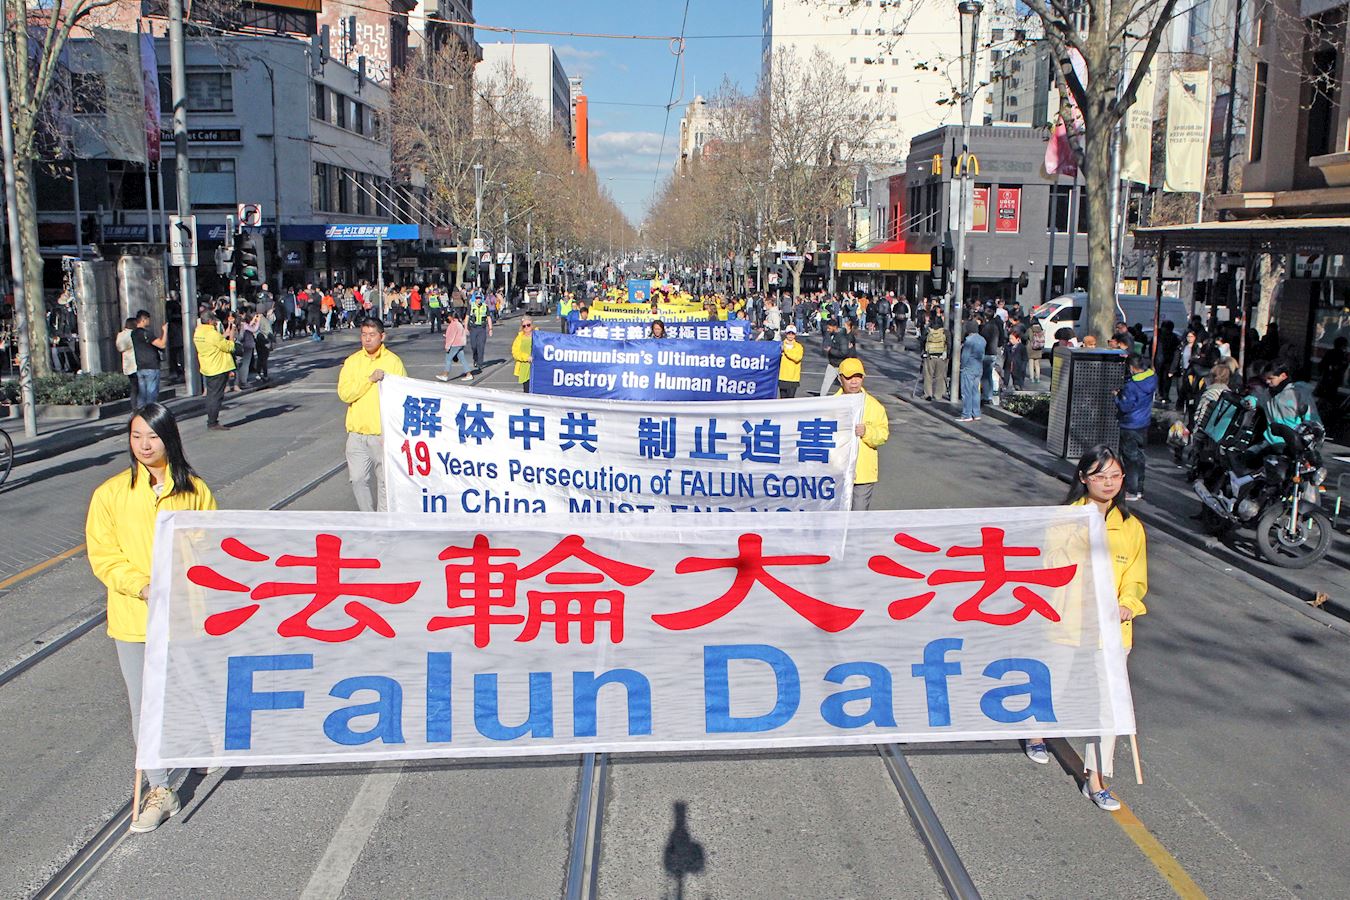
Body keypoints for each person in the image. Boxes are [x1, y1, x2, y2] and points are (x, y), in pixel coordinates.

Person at [85, 403, 218, 833]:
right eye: (136, 435)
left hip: (185, 614)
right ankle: (161, 788)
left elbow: (211, 546)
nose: (144, 445)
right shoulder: (110, 494)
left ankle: (200, 745)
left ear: (169, 439)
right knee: (145, 705)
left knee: (189, 688)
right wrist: (140, 585)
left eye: (153, 436)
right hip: (134, 618)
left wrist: (185, 575)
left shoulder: (195, 491)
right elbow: (104, 556)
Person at [1024, 445, 1147, 813]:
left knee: (1107, 705)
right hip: (1067, 623)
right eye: (1100, 476)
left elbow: (1136, 577)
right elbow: (1051, 566)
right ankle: (1035, 730)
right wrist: (1082, 536)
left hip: (1111, 633)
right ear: (1083, 478)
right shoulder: (1065, 519)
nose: (1108, 483)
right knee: (1054, 685)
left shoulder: (1130, 527)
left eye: (1115, 476)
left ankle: (1096, 780)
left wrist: (1128, 604)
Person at [338, 317, 406, 512]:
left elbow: (402, 397)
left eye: (372, 335)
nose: (367, 339)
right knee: (357, 479)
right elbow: (345, 394)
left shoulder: (393, 362)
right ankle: (368, 518)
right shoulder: (352, 362)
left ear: (382, 336)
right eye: (364, 335)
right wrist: (369, 380)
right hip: (357, 433)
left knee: (385, 481)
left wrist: (394, 432)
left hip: (382, 435)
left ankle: (383, 520)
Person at [835, 358, 888, 510]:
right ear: (840, 378)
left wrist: (867, 432)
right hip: (836, 473)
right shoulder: (831, 405)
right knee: (835, 516)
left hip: (863, 474)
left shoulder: (874, 406)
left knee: (858, 515)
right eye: (849, 377)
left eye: (858, 377)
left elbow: (883, 435)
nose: (854, 382)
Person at [1115, 354, 1157, 502]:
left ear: (1132, 368)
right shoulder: (1152, 378)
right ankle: (1139, 488)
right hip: (1144, 423)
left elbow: (1125, 406)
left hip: (1130, 424)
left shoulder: (1131, 386)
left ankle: (1131, 490)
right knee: (1140, 457)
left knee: (1129, 459)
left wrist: (1117, 397)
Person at [193, 310, 236, 431]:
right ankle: (212, 422)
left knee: (211, 395)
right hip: (218, 367)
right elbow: (229, 347)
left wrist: (225, 333)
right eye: (214, 321)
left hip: (207, 366)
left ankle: (211, 420)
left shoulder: (198, 332)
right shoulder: (212, 334)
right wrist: (232, 333)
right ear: (210, 321)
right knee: (216, 396)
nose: (215, 323)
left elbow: (215, 342)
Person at [130, 310, 167, 404]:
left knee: (142, 395)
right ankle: (150, 411)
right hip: (152, 366)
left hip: (140, 366)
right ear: (143, 320)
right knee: (151, 394)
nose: (149, 322)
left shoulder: (133, 334)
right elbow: (162, 344)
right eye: (148, 319)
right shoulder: (147, 333)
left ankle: (141, 411)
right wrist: (165, 331)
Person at [958, 327, 987, 422]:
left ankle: (967, 414)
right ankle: (976, 413)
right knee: (976, 391)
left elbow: (965, 356)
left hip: (968, 368)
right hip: (978, 367)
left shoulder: (969, 341)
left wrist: (962, 366)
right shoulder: (983, 340)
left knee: (967, 392)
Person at [436, 311, 471, 382]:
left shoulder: (453, 325)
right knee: (462, 359)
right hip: (461, 344)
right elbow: (463, 333)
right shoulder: (459, 323)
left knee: (448, 359)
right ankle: (468, 374)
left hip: (455, 344)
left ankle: (445, 375)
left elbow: (451, 337)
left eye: (448, 317)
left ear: (451, 317)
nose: (447, 318)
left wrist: (447, 346)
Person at [820, 318, 851, 397]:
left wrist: (830, 350)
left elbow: (844, 352)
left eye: (829, 328)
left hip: (840, 366)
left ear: (834, 327)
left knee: (846, 385)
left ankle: (851, 398)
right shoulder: (832, 335)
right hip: (832, 364)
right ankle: (821, 399)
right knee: (826, 383)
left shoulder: (842, 337)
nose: (828, 330)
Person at [922, 313, 949, 400]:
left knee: (928, 376)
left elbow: (922, 341)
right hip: (941, 357)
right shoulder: (945, 332)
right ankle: (938, 395)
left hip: (929, 356)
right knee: (940, 377)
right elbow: (949, 344)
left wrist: (923, 352)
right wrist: (947, 355)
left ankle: (928, 394)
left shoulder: (928, 331)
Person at [1316, 336, 1349, 403]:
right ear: (1342, 346)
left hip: (1327, 378)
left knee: (1323, 397)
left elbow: (1322, 365)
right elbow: (1343, 366)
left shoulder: (1330, 352)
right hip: (1333, 380)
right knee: (1330, 397)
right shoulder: (1342, 355)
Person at [116, 317, 139, 409]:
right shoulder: (134, 334)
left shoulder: (120, 335)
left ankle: (134, 408)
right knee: (141, 388)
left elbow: (120, 348)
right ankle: (141, 407)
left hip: (128, 365)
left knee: (134, 388)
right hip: (137, 363)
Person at [779, 324, 804, 398]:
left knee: (790, 399)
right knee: (783, 399)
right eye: (789, 333)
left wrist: (785, 350)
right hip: (782, 377)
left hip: (793, 378)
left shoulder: (799, 346)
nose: (790, 335)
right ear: (786, 334)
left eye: (792, 333)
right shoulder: (780, 345)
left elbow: (797, 358)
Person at [512, 317, 534, 392]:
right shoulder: (519, 338)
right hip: (525, 368)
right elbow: (515, 352)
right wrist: (526, 357)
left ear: (532, 325)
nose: (526, 327)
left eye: (528, 325)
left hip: (537, 367)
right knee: (527, 390)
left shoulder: (538, 336)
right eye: (524, 326)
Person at [1027, 319, 1045, 385]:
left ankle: (1032, 378)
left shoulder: (1030, 329)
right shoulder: (1040, 330)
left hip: (1031, 348)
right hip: (1038, 348)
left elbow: (1028, 337)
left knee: (1031, 364)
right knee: (1037, 364)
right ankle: (1038, 378)